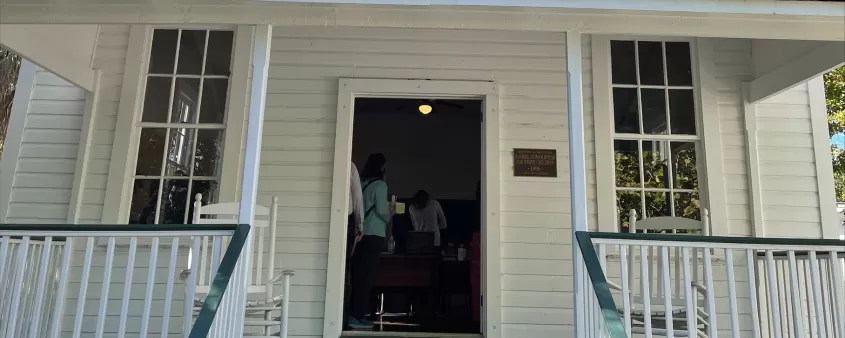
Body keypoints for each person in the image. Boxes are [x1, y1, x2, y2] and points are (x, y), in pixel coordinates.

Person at [348, 153, 394, 329]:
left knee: (358, 277)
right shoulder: (381, 185)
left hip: (360, 235)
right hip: (374, 235)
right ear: (381, 167)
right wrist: (390, 213)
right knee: (366, 279)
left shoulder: (363, 183)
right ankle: (357, 317)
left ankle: (355, 314)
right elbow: (382, 211)